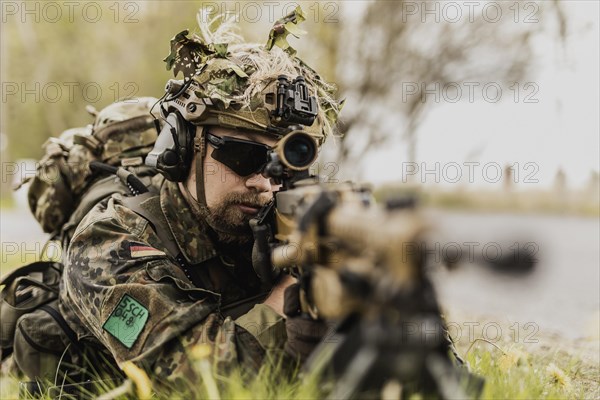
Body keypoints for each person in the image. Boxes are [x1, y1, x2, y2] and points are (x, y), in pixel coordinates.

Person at [58, 11, 342, 390]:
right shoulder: (107, 241)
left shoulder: (292, 218)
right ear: (183, 146)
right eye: (242, 157)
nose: (264, 182)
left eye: (285, 164)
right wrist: (293, 294)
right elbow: (200, 384)